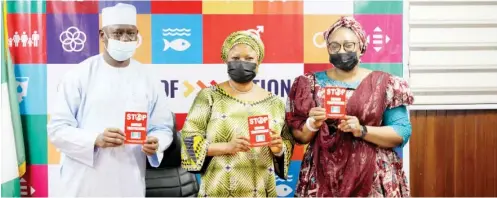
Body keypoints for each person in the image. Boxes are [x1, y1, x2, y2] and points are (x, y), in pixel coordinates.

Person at [47, 3, 174, 197]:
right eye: (117, 33)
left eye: (130, 33)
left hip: (129, 180)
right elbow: (57, 129)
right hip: (84, 181)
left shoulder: (149, 78)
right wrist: (95, 139)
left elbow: (162, 128)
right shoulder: (79, 75)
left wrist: (157, 143)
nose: (125, 39)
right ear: (102, 35)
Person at [285, 16, 414, 197]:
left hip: (373, 178)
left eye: (348, 45)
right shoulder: (309, 84)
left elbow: (402, 132)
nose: (341, 51)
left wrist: (362, 130)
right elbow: (299, 136)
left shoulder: (385, 83)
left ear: (361, 47)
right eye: (334, 46)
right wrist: (311, 124)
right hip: (323, 177)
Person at [180, 30, 294, 197]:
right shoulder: (208, 96)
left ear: (258, 62)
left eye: (249, 59)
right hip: (217, 189)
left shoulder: (274, 102)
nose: (242, 63)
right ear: (226, 60)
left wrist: (279, 149)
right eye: (235, 58)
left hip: (261, 190)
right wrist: (227, 147)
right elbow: (188, 142)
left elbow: (286, 143)